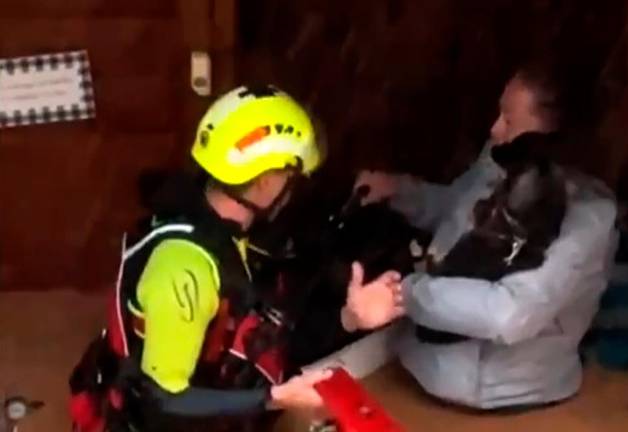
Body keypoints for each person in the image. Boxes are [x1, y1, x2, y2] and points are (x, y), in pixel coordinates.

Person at [70, 85, 404, 431]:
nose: (293, 190)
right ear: (264, 181)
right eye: (291, 178)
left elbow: (265, 337)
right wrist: (273, 398)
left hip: (213, 393)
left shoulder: (233, 235)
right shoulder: (184, 269)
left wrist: (348, 318)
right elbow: (162, 402)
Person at [355, 65, 618, 410]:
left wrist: (404, 295)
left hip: (498, 392)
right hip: (424, 363)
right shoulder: (504, 162)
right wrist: (396, 191)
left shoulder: (585, 219)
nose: (494, 129)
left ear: (553, 135)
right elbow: (457, 211)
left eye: (509, 120)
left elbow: (508, 313)